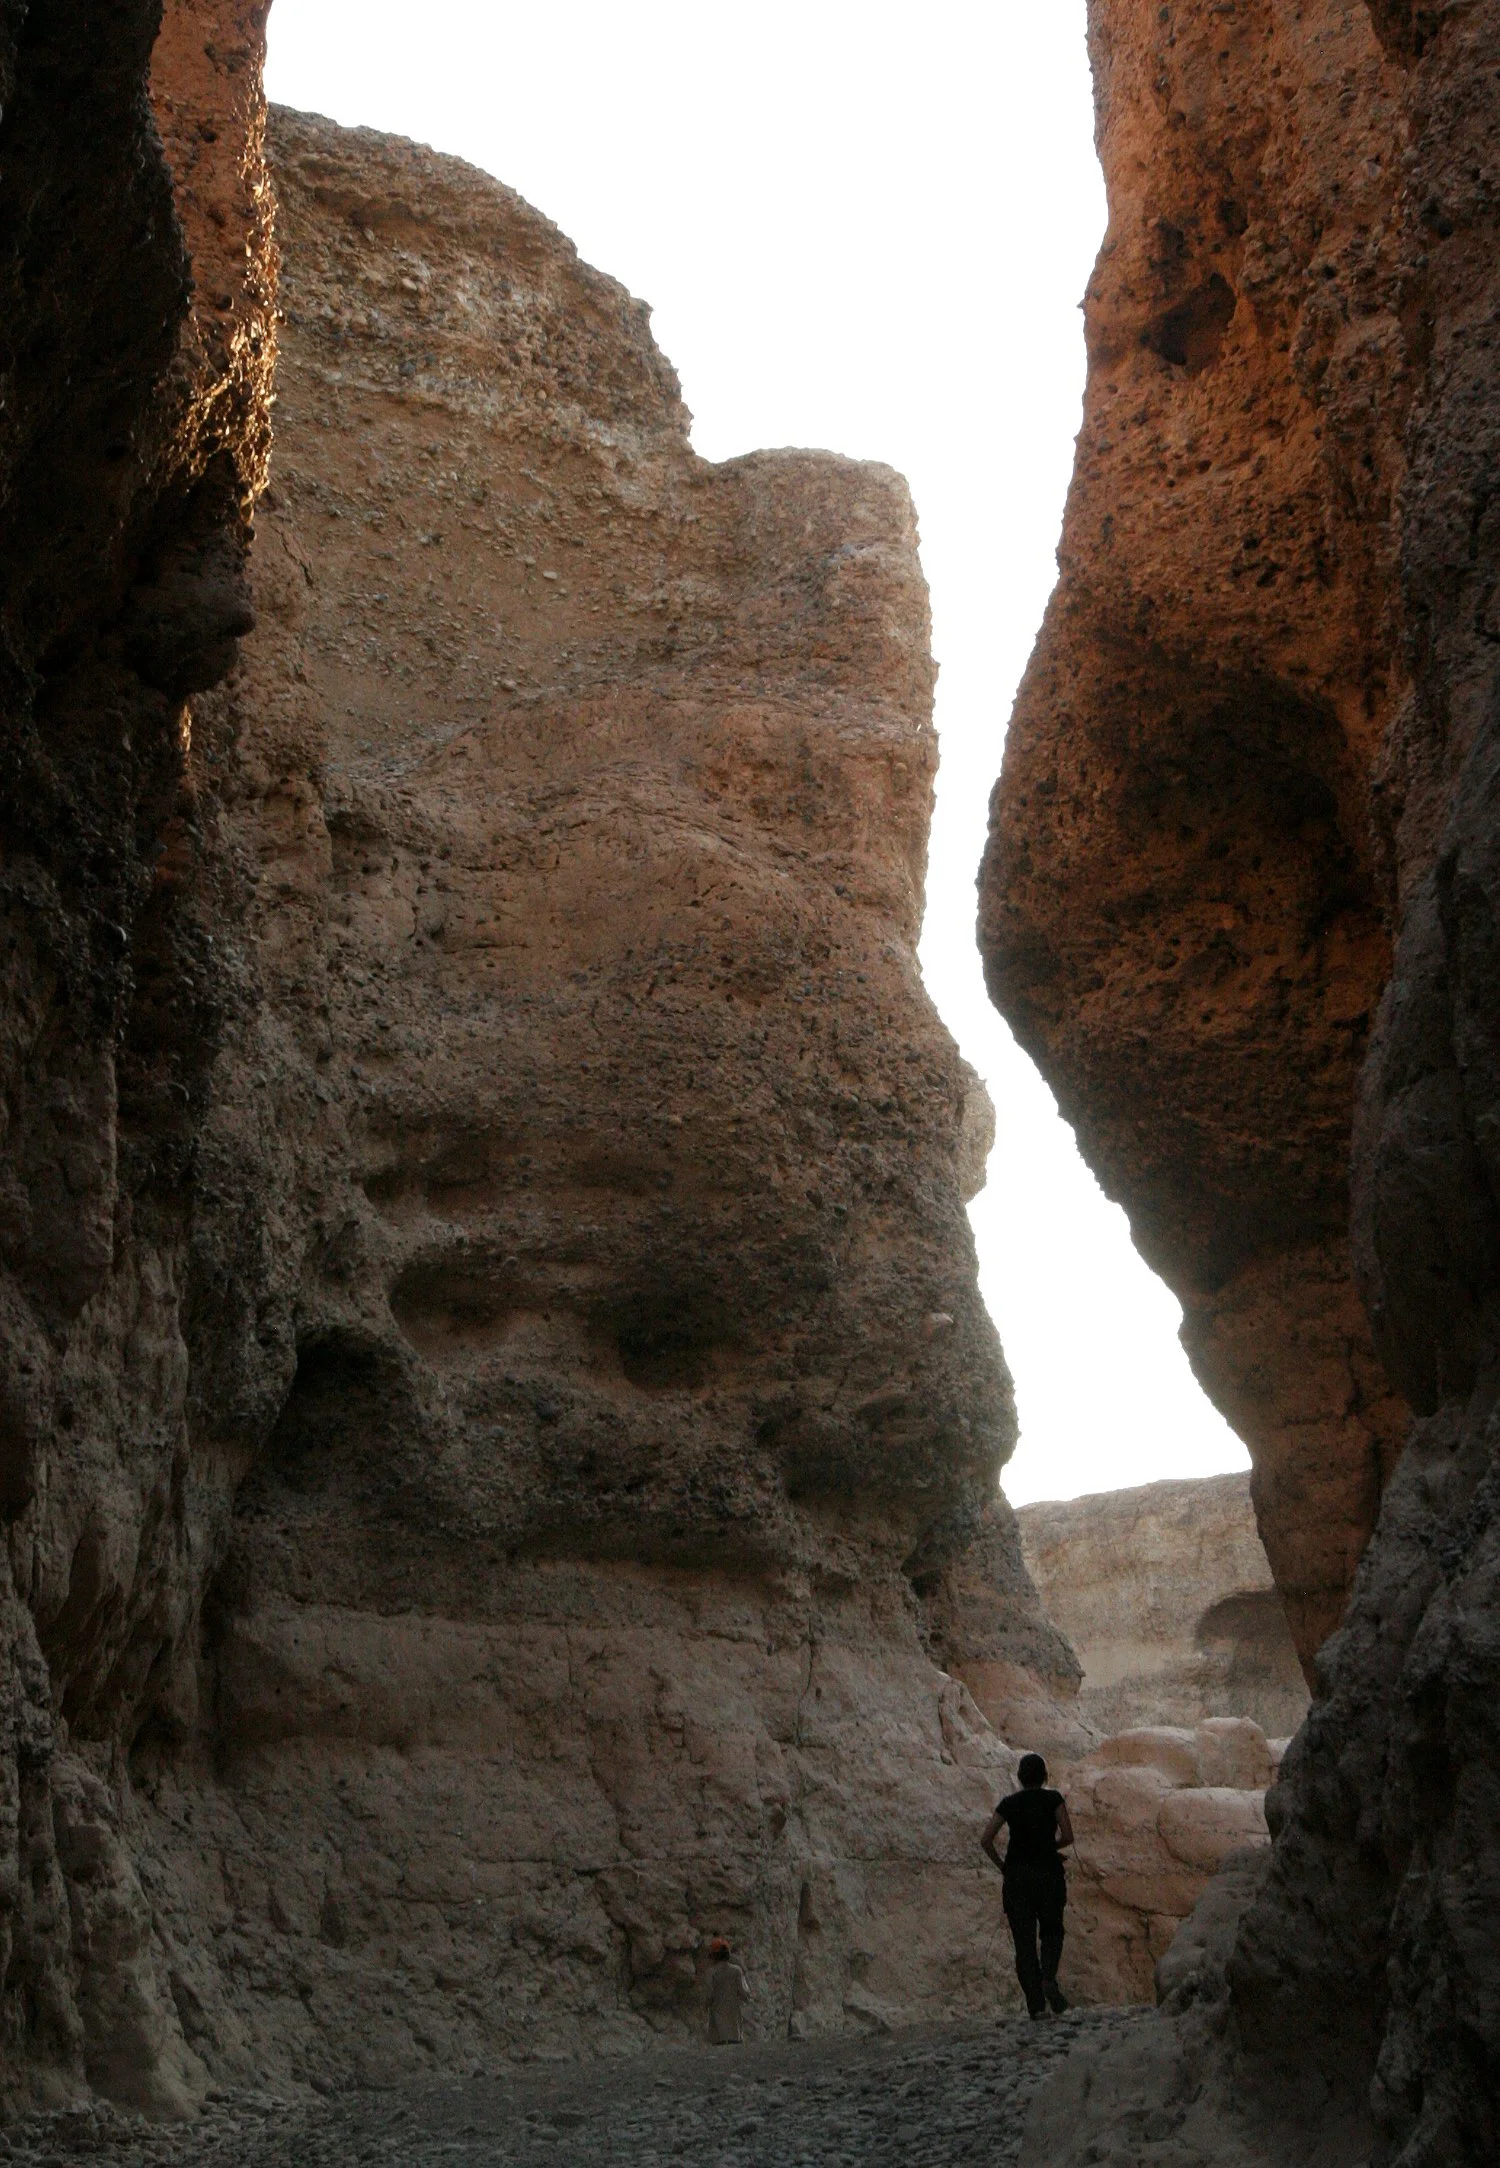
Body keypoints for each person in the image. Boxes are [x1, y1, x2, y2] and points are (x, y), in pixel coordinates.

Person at [981, 1751, 1073, 2018]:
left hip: (1017, 1878)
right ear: (1045, 1776)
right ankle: (1048, 1978)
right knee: (1052, 1930)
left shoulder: (1008, 1803)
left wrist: (1003, 1867)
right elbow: (1068, 1835)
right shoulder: (1053, 1799)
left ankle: (1036, 2006)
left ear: (1020, 1778)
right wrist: (1049, 1846)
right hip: (1048, 1873)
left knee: (1024, 1941)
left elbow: (986, 1839)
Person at [706, 1936, 748, 2044]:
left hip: (718, 2021)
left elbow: (709, 1995)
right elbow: (744, 1992)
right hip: (734, 2021)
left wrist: (706, 2004)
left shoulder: (711, 1972)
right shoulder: (736, 1970)